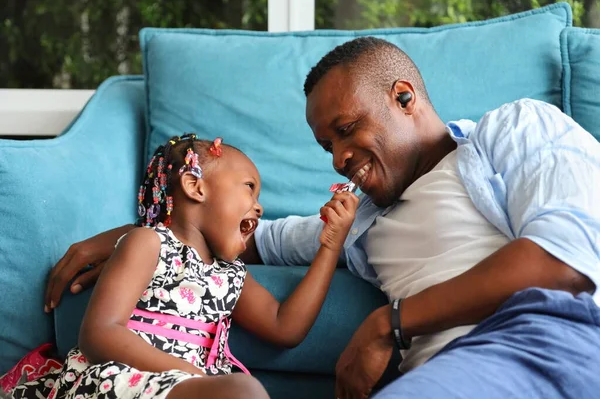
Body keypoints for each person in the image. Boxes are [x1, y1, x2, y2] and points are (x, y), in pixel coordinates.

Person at [44, 37, 600, 399]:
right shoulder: (360, 223)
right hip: (440, 375)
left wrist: (392, 323)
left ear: (403, 98)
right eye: (325, 145)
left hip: (544, 338)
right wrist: (131, 237)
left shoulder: (512, 130)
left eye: (346, 130)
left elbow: (565, 260)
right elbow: (235, 233)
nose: (337, 158)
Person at [17, 134, 358, 399]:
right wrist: (194, 374)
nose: (258, 207)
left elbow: (287, 328)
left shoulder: (231, 274)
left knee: (242, 390)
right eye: (249, 189)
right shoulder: (148, 243)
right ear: (195, 186)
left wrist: (330, 244)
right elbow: (99, 334)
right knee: (244, 390)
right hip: (124, 381)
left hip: (187, 388)